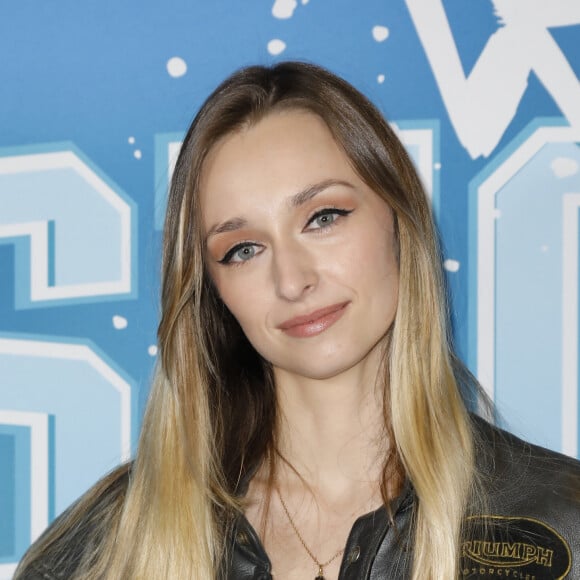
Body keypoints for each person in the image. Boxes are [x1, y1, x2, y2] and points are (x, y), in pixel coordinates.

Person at [15, 62, 580, 580]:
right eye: (243, 249)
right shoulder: (112, 543)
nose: (292, 280)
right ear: (213, 293)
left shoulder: (561, 520)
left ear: (399, 220)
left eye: (323, 216)